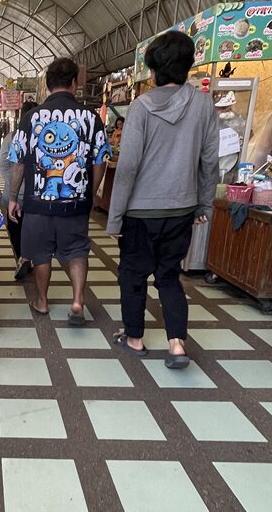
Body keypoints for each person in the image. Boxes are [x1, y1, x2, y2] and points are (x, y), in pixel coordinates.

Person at [107, 30, 219, 369]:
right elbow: (210, 161)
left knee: (133, 275)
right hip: (182, 208)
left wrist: (114, 218)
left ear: (154, 70)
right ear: (186, 66)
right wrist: (203, 205)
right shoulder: (203, 105)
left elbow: (127, 166)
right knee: (170, 277)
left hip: (141, 211)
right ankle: (177, 346)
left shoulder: (141, 107)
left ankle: (135, 338)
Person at [8, 58, 109, 325]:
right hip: (76, 202)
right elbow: (100, 161)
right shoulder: (91, 118)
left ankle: (42, 302)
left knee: (41, 253)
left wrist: (12, 197)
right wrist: (90, 192)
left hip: (37, 203)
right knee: (77, 250)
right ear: (75, 82)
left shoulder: (30, 118)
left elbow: (17, 162)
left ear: (47, 85)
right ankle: (77, 301)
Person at [0, 101, 37, 280]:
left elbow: (4, 164)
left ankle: (22, 257)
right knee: (33, 230)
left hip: (14, 196)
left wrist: (14, 185)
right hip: (35, 196)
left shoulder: (12, 137)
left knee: (16, 229)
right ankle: (29, 257)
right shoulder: (45, 135)